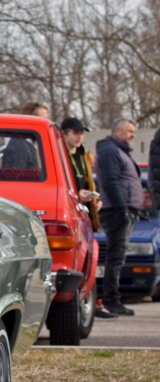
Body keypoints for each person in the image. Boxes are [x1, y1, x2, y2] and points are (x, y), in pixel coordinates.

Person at [93, 118, 143, 318]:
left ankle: (113, 299)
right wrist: (122, 207)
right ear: (118, 131)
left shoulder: (119, 151)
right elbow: (110, 181)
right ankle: (111, 301)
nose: (133, 135)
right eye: (130, 131)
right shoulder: (110, 151)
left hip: (124, 210)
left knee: (118, 257)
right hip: (116, 211)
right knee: (115, 257)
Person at [59, 117, 101, 230]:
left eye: (82, 133)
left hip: (86, 214)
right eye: (76, 133)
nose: (80, 137)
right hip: (68, 214)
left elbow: (91, 183)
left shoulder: (84, 156)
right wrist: (77, 195)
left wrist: (97, 199)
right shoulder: (58, 157)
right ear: (65, 134)